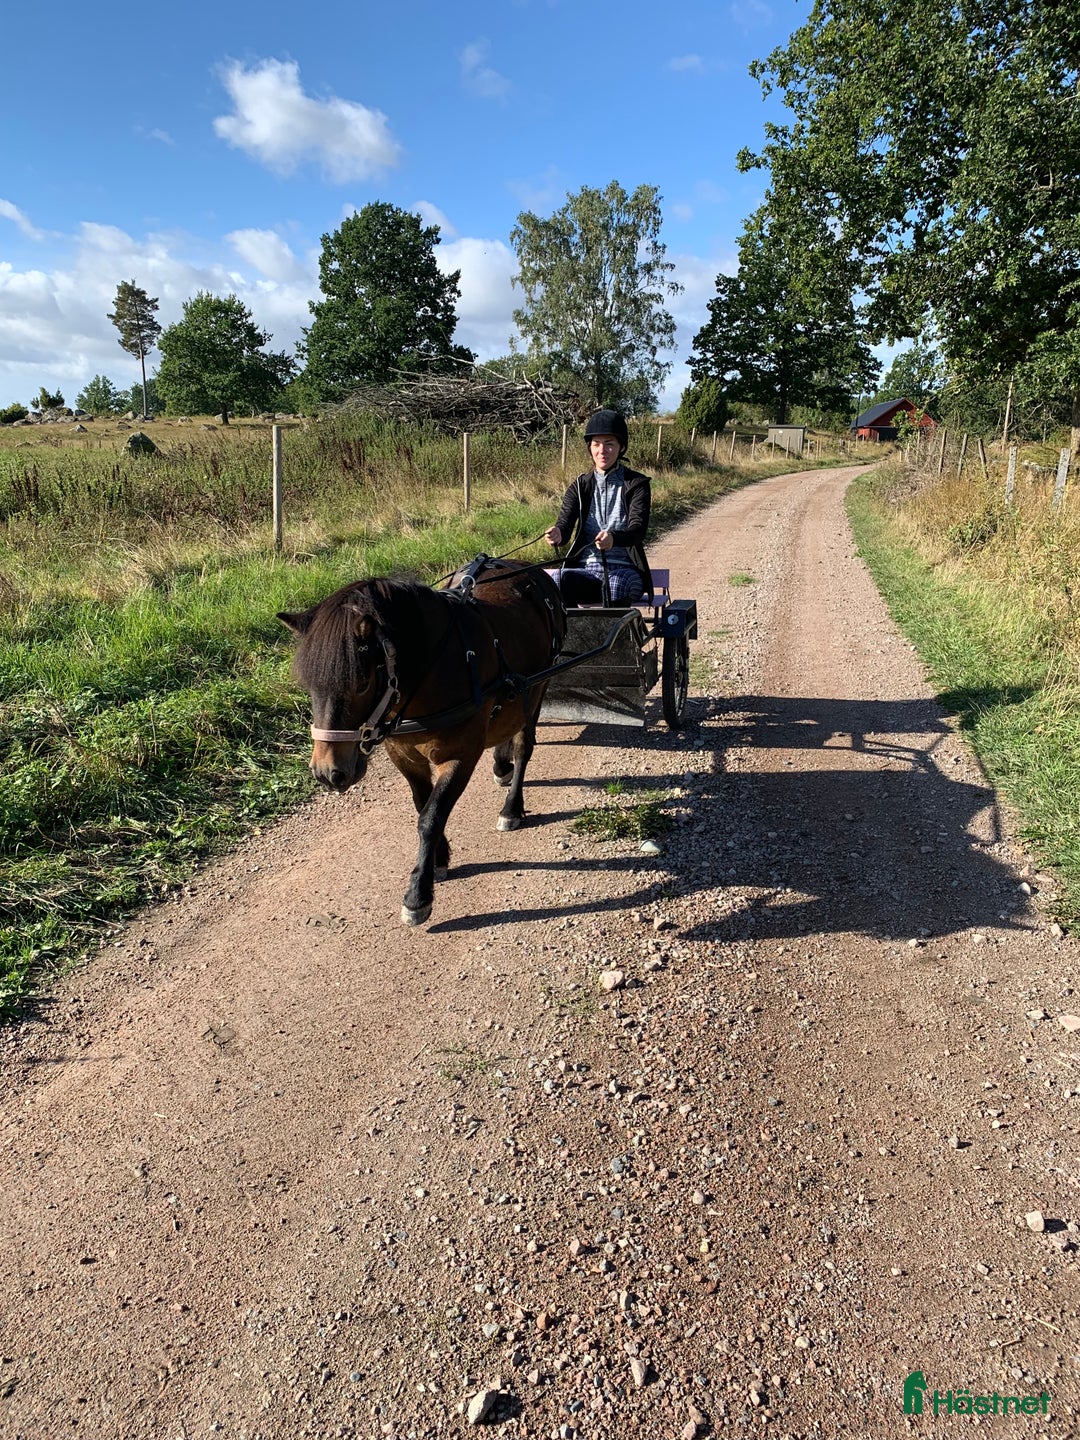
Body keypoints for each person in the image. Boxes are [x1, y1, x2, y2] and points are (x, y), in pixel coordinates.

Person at [545, 409, 653, 604]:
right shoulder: (579, 486)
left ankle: (616, 636)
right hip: (586, 570)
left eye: (609, 444)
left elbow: (638, 531)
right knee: (558, 581)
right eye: (596, 444)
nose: (602, 451)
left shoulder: (637, 484)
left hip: (626, 571)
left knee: (615, 587)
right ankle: (572, 635)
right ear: (590, 447)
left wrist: (613, 538)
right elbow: (565, 524)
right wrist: (558, 534)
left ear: (621, 447)